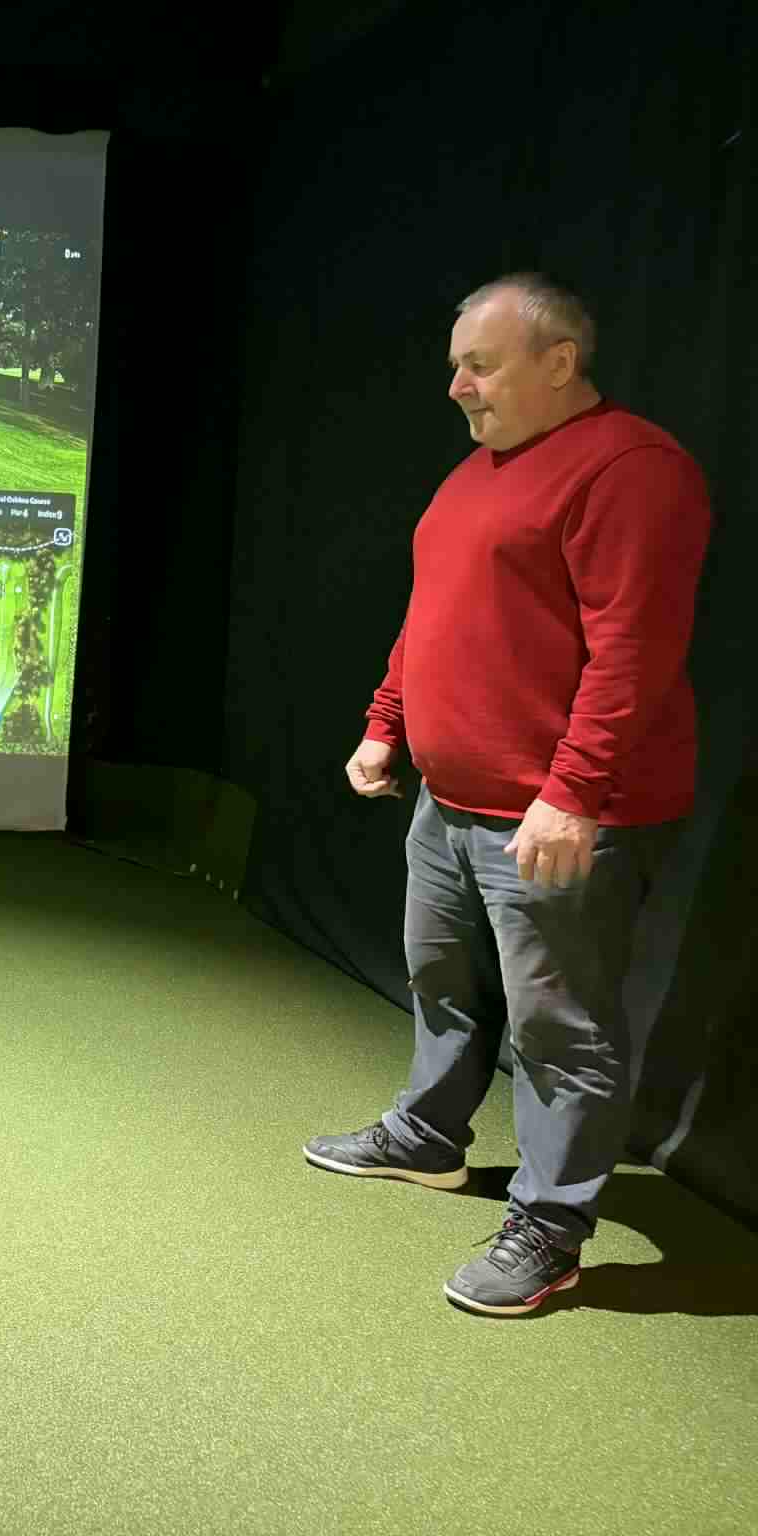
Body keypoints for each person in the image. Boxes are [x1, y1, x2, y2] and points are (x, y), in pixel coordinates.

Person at [306, 272, 712, 1316]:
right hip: (450, 801)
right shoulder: (474, 476)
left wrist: (573, 791)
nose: (456, 386)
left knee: (560, 1030)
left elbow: (633, 652)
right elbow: (432, 610)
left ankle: (549, 1225)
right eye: (456, 366)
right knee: (440, 978)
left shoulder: (631, 468)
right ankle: (427, 1136)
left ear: (558, 362)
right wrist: (386, 720)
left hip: (558, 816)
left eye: (478, 366)